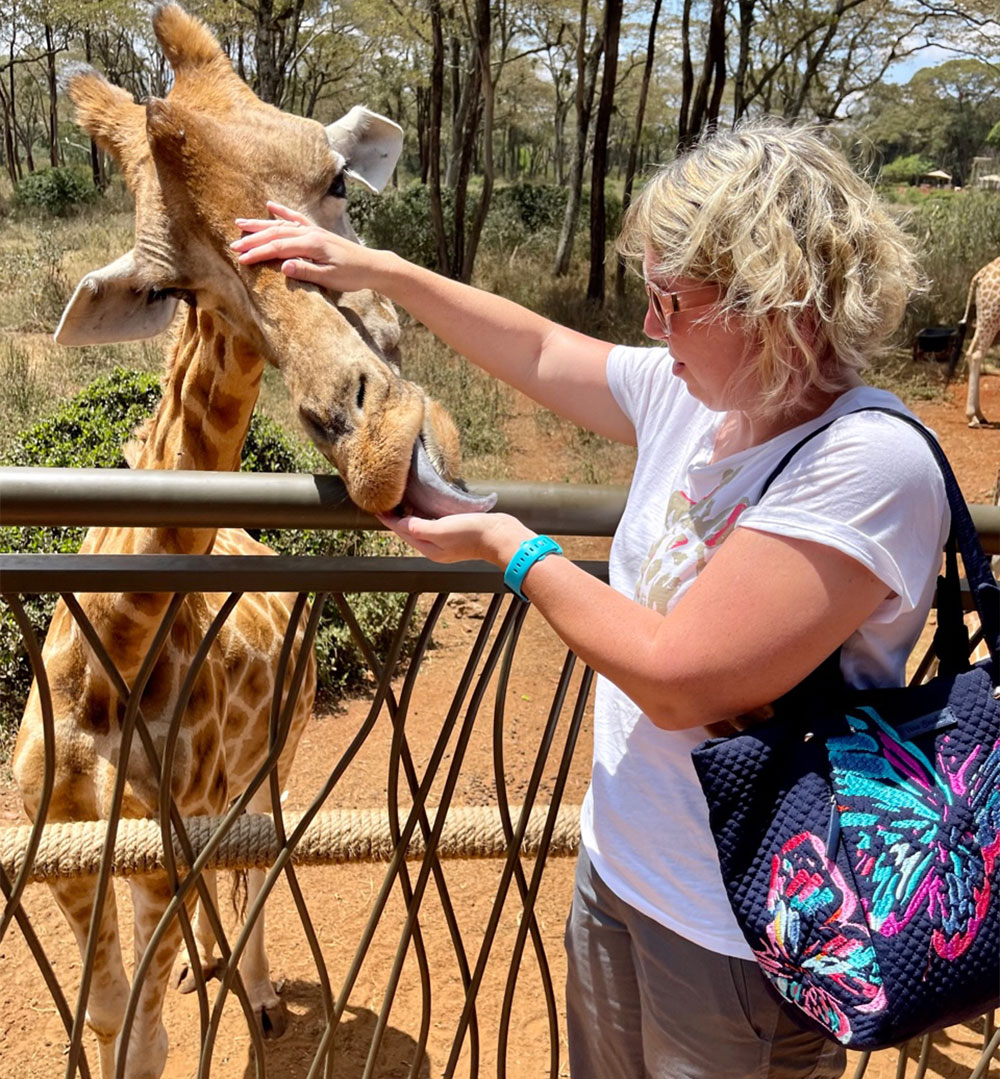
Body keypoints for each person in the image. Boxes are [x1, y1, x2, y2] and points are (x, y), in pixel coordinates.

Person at [231, 120, 949, 1079]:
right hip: (622, 867)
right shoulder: (700, 390)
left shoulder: (869, 462)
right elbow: (534, 345)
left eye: (668, 298)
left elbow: (677, 677)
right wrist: (376, 268)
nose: (649, 325)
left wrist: (510, 548)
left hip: (746, 927)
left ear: (773, 304)